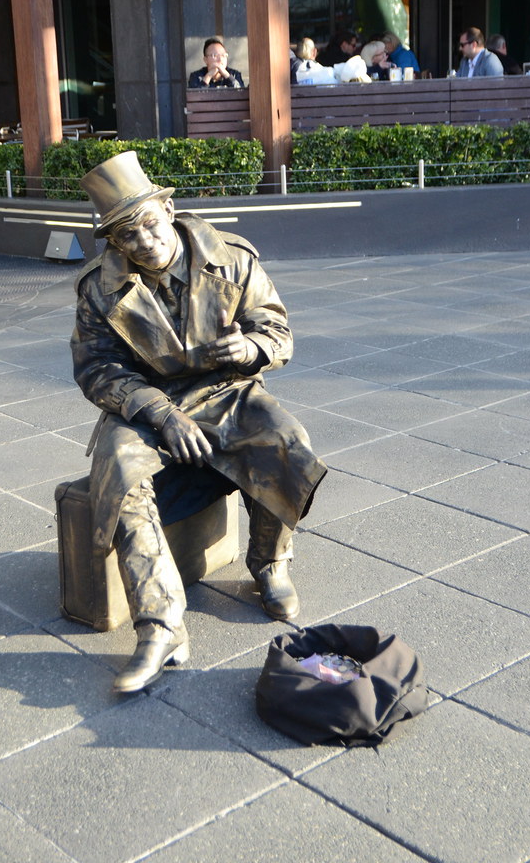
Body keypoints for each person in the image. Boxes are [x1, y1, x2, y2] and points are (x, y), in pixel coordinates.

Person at [71, 151, 327, 694]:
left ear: (168, 209)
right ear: (113, 241)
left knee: (285, 439)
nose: (144, 241)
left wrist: (251, 347)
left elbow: (277, 329)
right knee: (119, 472)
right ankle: (160, 626)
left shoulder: (231, 258)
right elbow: (96, 369)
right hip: (147, 403)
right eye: (126, 235)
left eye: (149, 224)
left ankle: (270, 562)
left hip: (226, 390)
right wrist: (161, 414)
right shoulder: (97, 289)